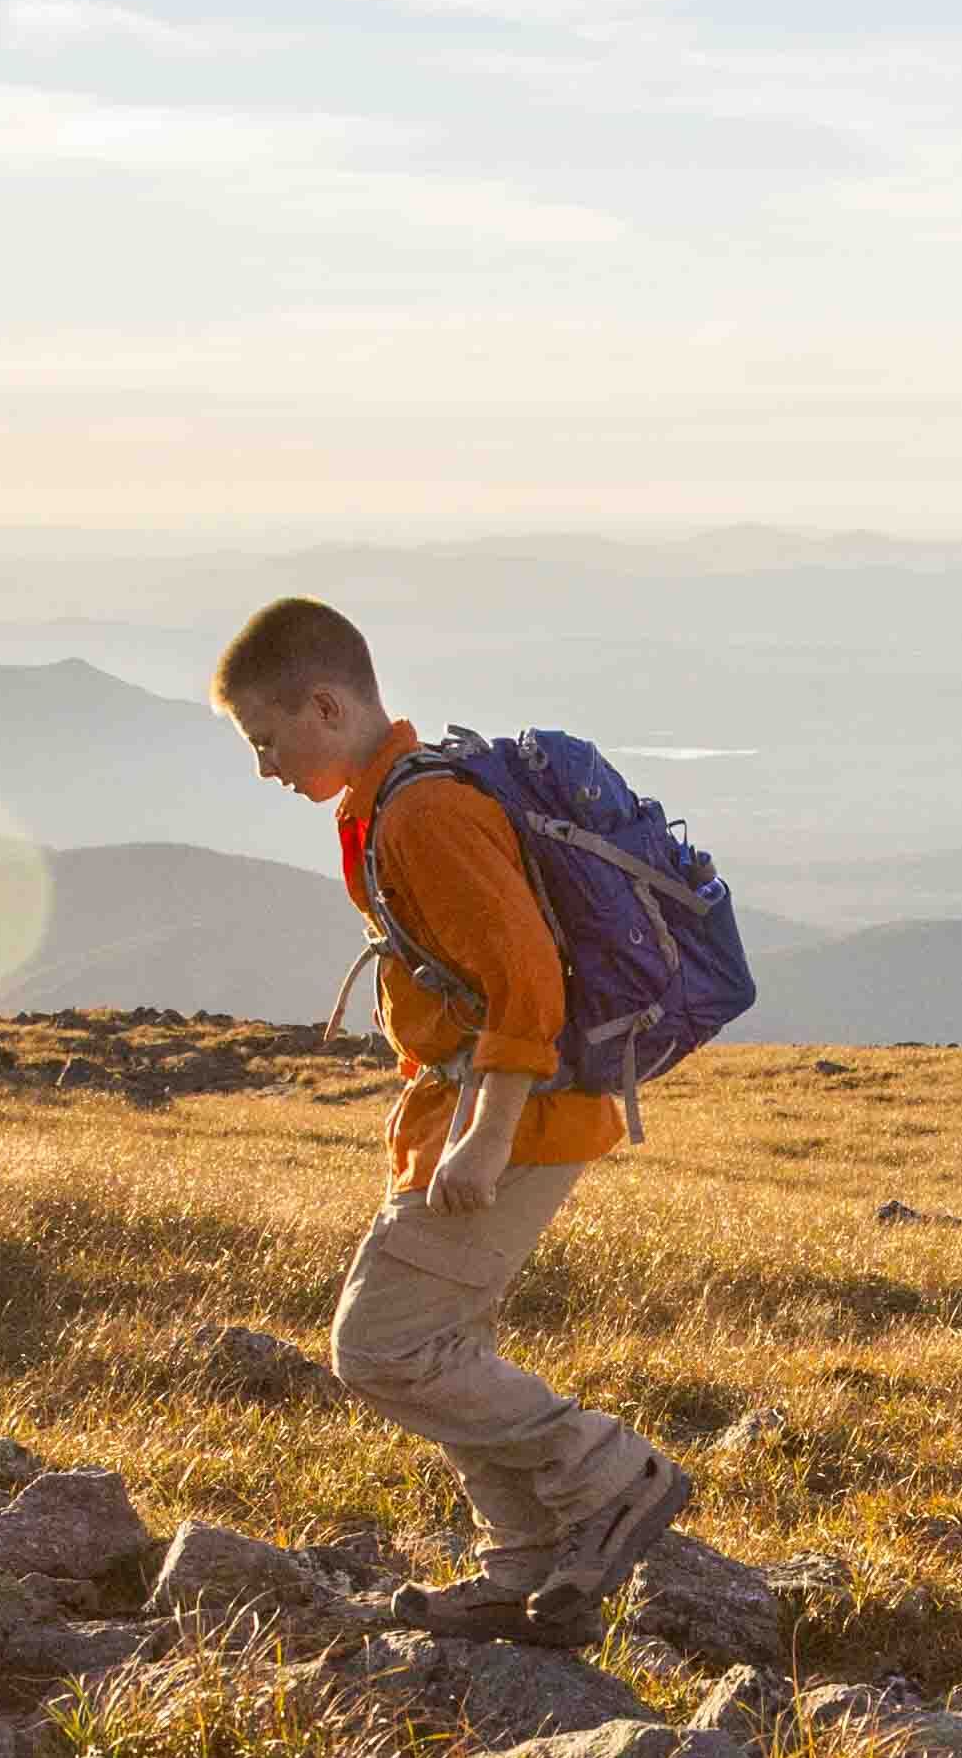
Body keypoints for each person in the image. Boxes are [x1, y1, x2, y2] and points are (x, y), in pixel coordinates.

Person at [211, 594, 690, 1649]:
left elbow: (525, 975)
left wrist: (485, 1129)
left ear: (325, 707)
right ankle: (520, 1563)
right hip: (472, 1108)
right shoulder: (386, 801)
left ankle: (613, 1475)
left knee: (379, 1344)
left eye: (266, 738)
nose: (265, 768)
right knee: (439, 1342)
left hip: (516, 1117)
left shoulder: (423, 811)